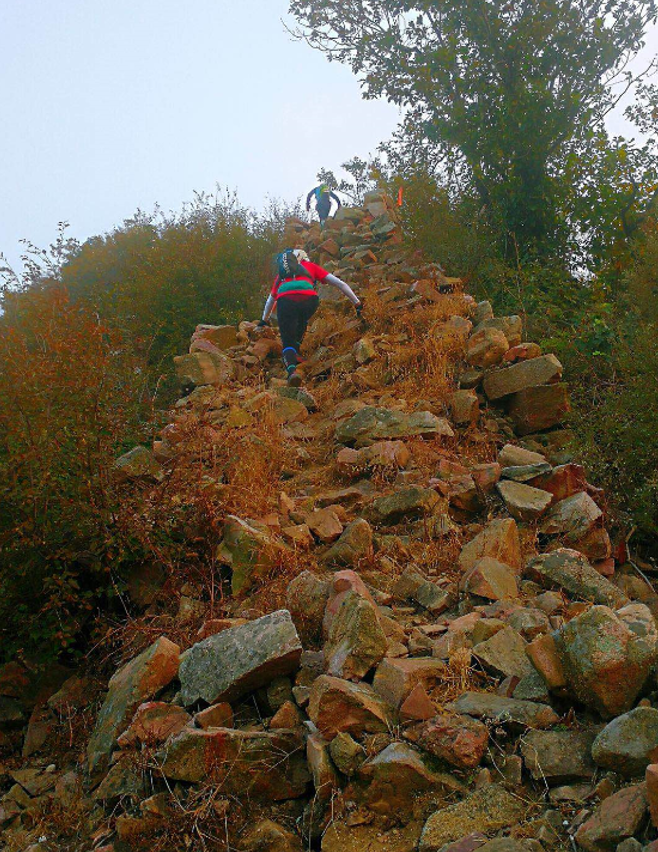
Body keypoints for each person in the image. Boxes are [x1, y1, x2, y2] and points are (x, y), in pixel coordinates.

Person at [258, 249, 362, 386]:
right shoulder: (311, 267)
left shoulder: (282, 274)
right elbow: (340, 284)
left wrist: (264, 320)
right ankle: (297, 353)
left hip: (286, 301)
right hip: (309, 301)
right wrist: (357, 302)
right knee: (301, 320)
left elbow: (271, 299)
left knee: (287, 339)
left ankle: (292, 372)